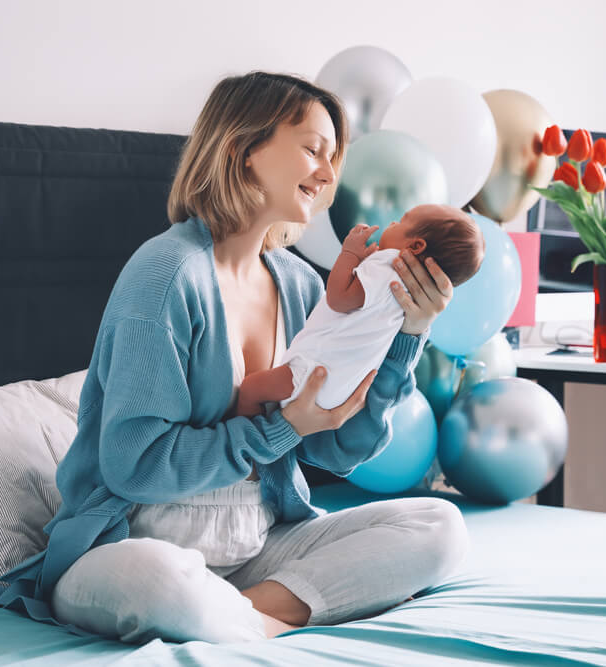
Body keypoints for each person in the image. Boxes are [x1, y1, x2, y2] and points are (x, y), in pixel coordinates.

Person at [43, 71, 470, 644]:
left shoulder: (298, 284)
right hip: (133, 543)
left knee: (438, 525)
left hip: (256, 543)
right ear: (244, 149)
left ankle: (242, 618)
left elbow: (338, 449)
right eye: (313, 150)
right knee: (159, 582)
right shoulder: (165, 274)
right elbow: (135, 466)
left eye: (332, 158)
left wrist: (408, 334)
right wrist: (280, 429)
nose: (327, 173)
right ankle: (255, 614)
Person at [236, 205, 484, 417]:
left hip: (312, 373)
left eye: (402, 221)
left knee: (250, 390)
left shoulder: (388, 264)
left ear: (416, 245)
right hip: (337, 388)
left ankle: (249, 458)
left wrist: (349, 254)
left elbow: (339, 299)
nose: (393, 222)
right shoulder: (408, 293)